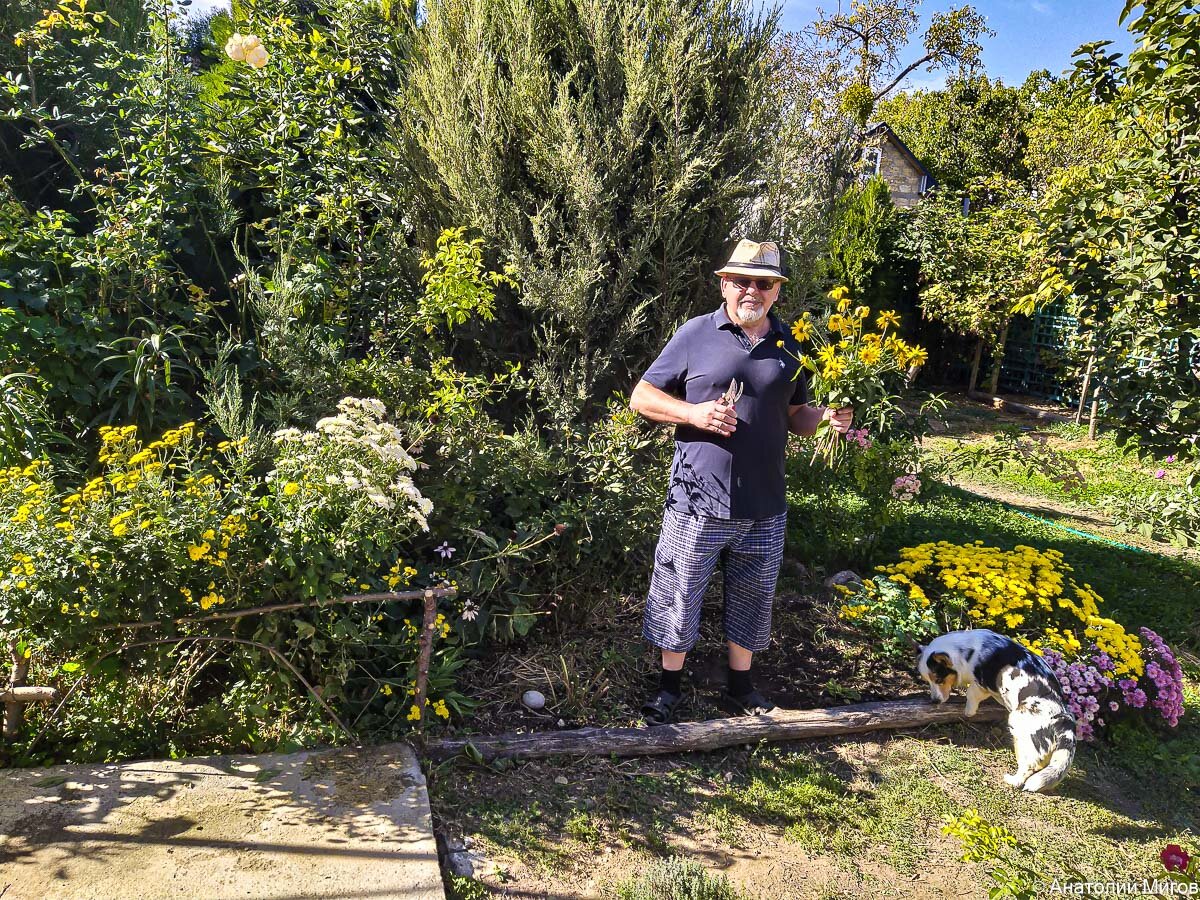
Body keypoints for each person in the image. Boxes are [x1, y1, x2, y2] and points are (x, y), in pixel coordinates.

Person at [629, 239, 853, 724]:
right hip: (697, 498)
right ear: (724, 284)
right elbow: (641, 397)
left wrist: (827, 417)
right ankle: (668, 689)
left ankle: (740, 688)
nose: (753, 290)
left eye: (765, 283)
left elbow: (796, 416)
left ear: (776, 292)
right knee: (679, 592)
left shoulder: (792, 345)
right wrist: (694, 413)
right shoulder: (695, 334)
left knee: (753, 596)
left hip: (765, 499)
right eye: (743, 281)